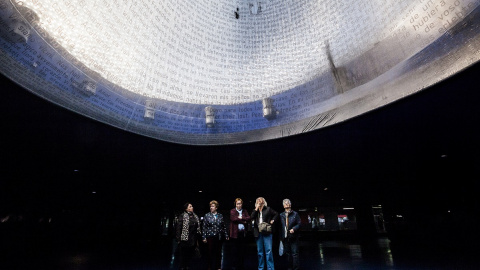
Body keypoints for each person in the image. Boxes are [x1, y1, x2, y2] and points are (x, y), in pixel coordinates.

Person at [251, 197, 278, 270]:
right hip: (258, 233)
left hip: (267, 232)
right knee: (260, 252)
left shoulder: (268, 209)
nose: (259, 200)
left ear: (263, 201)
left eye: (260, 199)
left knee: (268, 251)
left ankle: (270, 268)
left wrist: (273, 220)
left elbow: (276, 214)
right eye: (257, 200)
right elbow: (252, 217)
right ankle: (261, 268)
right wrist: (256, 208)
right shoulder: (255, 210)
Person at [202, 200, 229, 270]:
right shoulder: (207, 215)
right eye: (210, 206)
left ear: (216, 207)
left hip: (219, 237)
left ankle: (218, 267)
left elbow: (223, 226)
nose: (211, 207)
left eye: (213, 206)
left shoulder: (220, 216)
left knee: (218, 253)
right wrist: (204, 237)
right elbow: (204, 227)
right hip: (210, 236)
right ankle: (209, 267)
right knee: (210, 253)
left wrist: (226, 235)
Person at [176, 202, 201, 270]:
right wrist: (178, 239)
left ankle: (187, 266)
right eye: (190, 206)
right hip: (185, 239)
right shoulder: (183, 216)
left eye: (192, 206)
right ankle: (182, 267)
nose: (192, 207)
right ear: (186, 209)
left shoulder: (195, 216)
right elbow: (179, 227)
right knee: (183, 254)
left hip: (193, 239)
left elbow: (197, 227)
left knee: (190, 255)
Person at [229, 198, 251, 270]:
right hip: (235, 234)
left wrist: (241, 217)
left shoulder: (245, 211)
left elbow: (248, 218)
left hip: (242, 233)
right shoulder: (232, 211)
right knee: (234, 251)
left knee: (242, 251)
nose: (239, 205)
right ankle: (234, 266)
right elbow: (233, 219)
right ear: (235, 204)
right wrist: (243, 221)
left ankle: (241, 266)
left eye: (240, 203)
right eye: (237, 204)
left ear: (242, 204)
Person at [279, 199, 301, 270]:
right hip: (285, 237)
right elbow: (280, 226)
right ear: (283, 205)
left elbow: (299, 224)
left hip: (293, 236)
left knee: (295, 254)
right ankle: (289, 268)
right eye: (285, 203)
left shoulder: (295, 214)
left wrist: (294, 229)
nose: (286, 204)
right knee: (288, 254)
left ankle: (296, 268)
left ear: (290, 204)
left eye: (288, 203)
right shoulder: (281, 215)